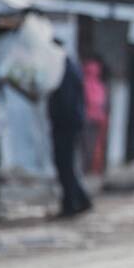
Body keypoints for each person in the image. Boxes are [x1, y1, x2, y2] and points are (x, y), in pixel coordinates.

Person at [48, 42, 92, 218]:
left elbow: (66, 102)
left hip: (66, 123)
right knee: (67, 164)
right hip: (69, 122)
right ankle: (79, 200)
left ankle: (72, 203)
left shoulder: (63, 69)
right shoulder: (67, 66)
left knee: (65, 164)